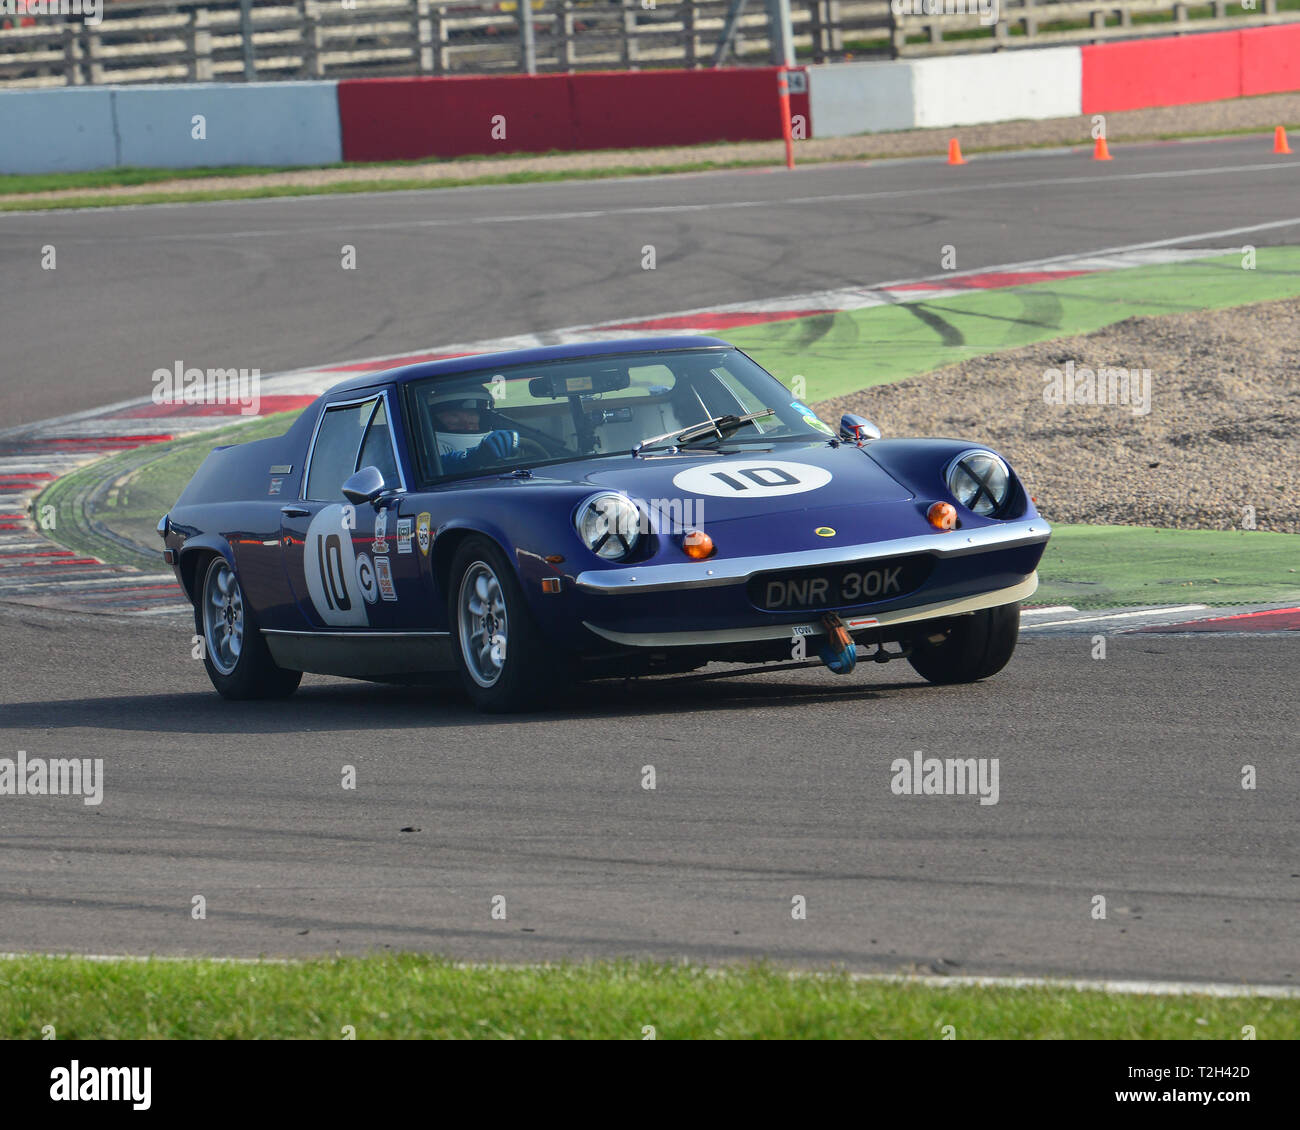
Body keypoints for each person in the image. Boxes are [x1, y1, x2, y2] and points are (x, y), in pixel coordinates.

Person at [428, 391, 520, 470]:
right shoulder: (424, 451)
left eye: (471, 413)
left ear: (483, 416)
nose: (466, 422)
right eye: (454, 415)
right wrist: (476, 456)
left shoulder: (500, 439)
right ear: (434, 418)